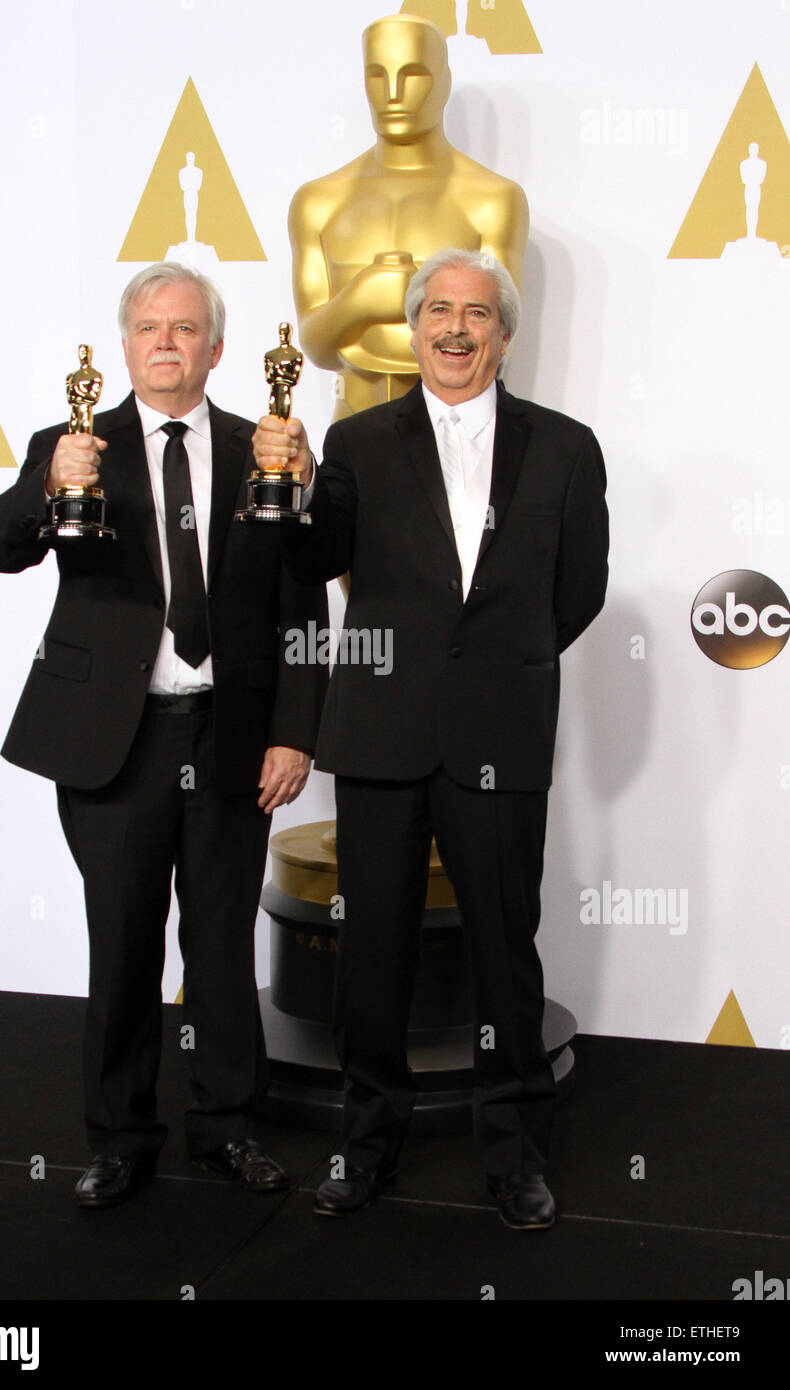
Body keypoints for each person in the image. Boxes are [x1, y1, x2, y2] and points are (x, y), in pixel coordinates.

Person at [252, 247, 608, 1229]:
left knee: (504, 954)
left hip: (499, 735)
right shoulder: (357, 441)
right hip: (378, 736)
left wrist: (502, 667)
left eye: (477, 313)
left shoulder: (565, 448)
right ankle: (365, 1145)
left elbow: (574, 591)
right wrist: (286, 490)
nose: (455, 328)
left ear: (504, 334)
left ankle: (512, 1153)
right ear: (413, 329)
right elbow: (318, 559)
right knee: (371, 956)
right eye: (438, 311)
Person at [0, 262, 328, 1208]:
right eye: (148, 328)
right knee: (122, 942)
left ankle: (226, 1128)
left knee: (220, 946)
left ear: (216, 348)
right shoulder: (73, 441)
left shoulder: (273, 447)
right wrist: (48, 485)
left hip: (232, 737)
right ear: (125, 347)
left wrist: (296, 731)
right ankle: (119, 1137)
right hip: (114, 742)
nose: (165, 341)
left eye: (184, 328)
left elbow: (306, 598)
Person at [289, 12, 528, 418]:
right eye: (377, 77)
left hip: (460, 429)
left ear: (445, 82)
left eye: (413, 75)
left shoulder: (494, 200)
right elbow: (313, 344)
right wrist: (360, 302)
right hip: (352, 430)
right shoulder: (318, 201)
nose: (393, 94)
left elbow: (499, 341)